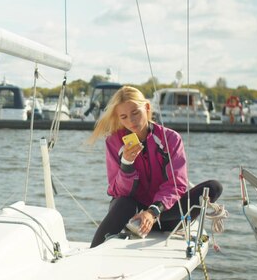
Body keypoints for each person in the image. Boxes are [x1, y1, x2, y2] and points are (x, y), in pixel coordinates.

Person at [87, 86, 222, 247]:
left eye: (135, 112)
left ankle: (151, 217)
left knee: (214, 187)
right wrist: (127, 165)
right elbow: (116, 191)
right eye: (124, 117)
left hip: (167, 215)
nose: (131, 120)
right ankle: (93, 252)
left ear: (147, 107)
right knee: (124, 203)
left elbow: (176, 184)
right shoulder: (114, 142)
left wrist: (152, 212)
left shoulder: (171, 138)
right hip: (132, 214)